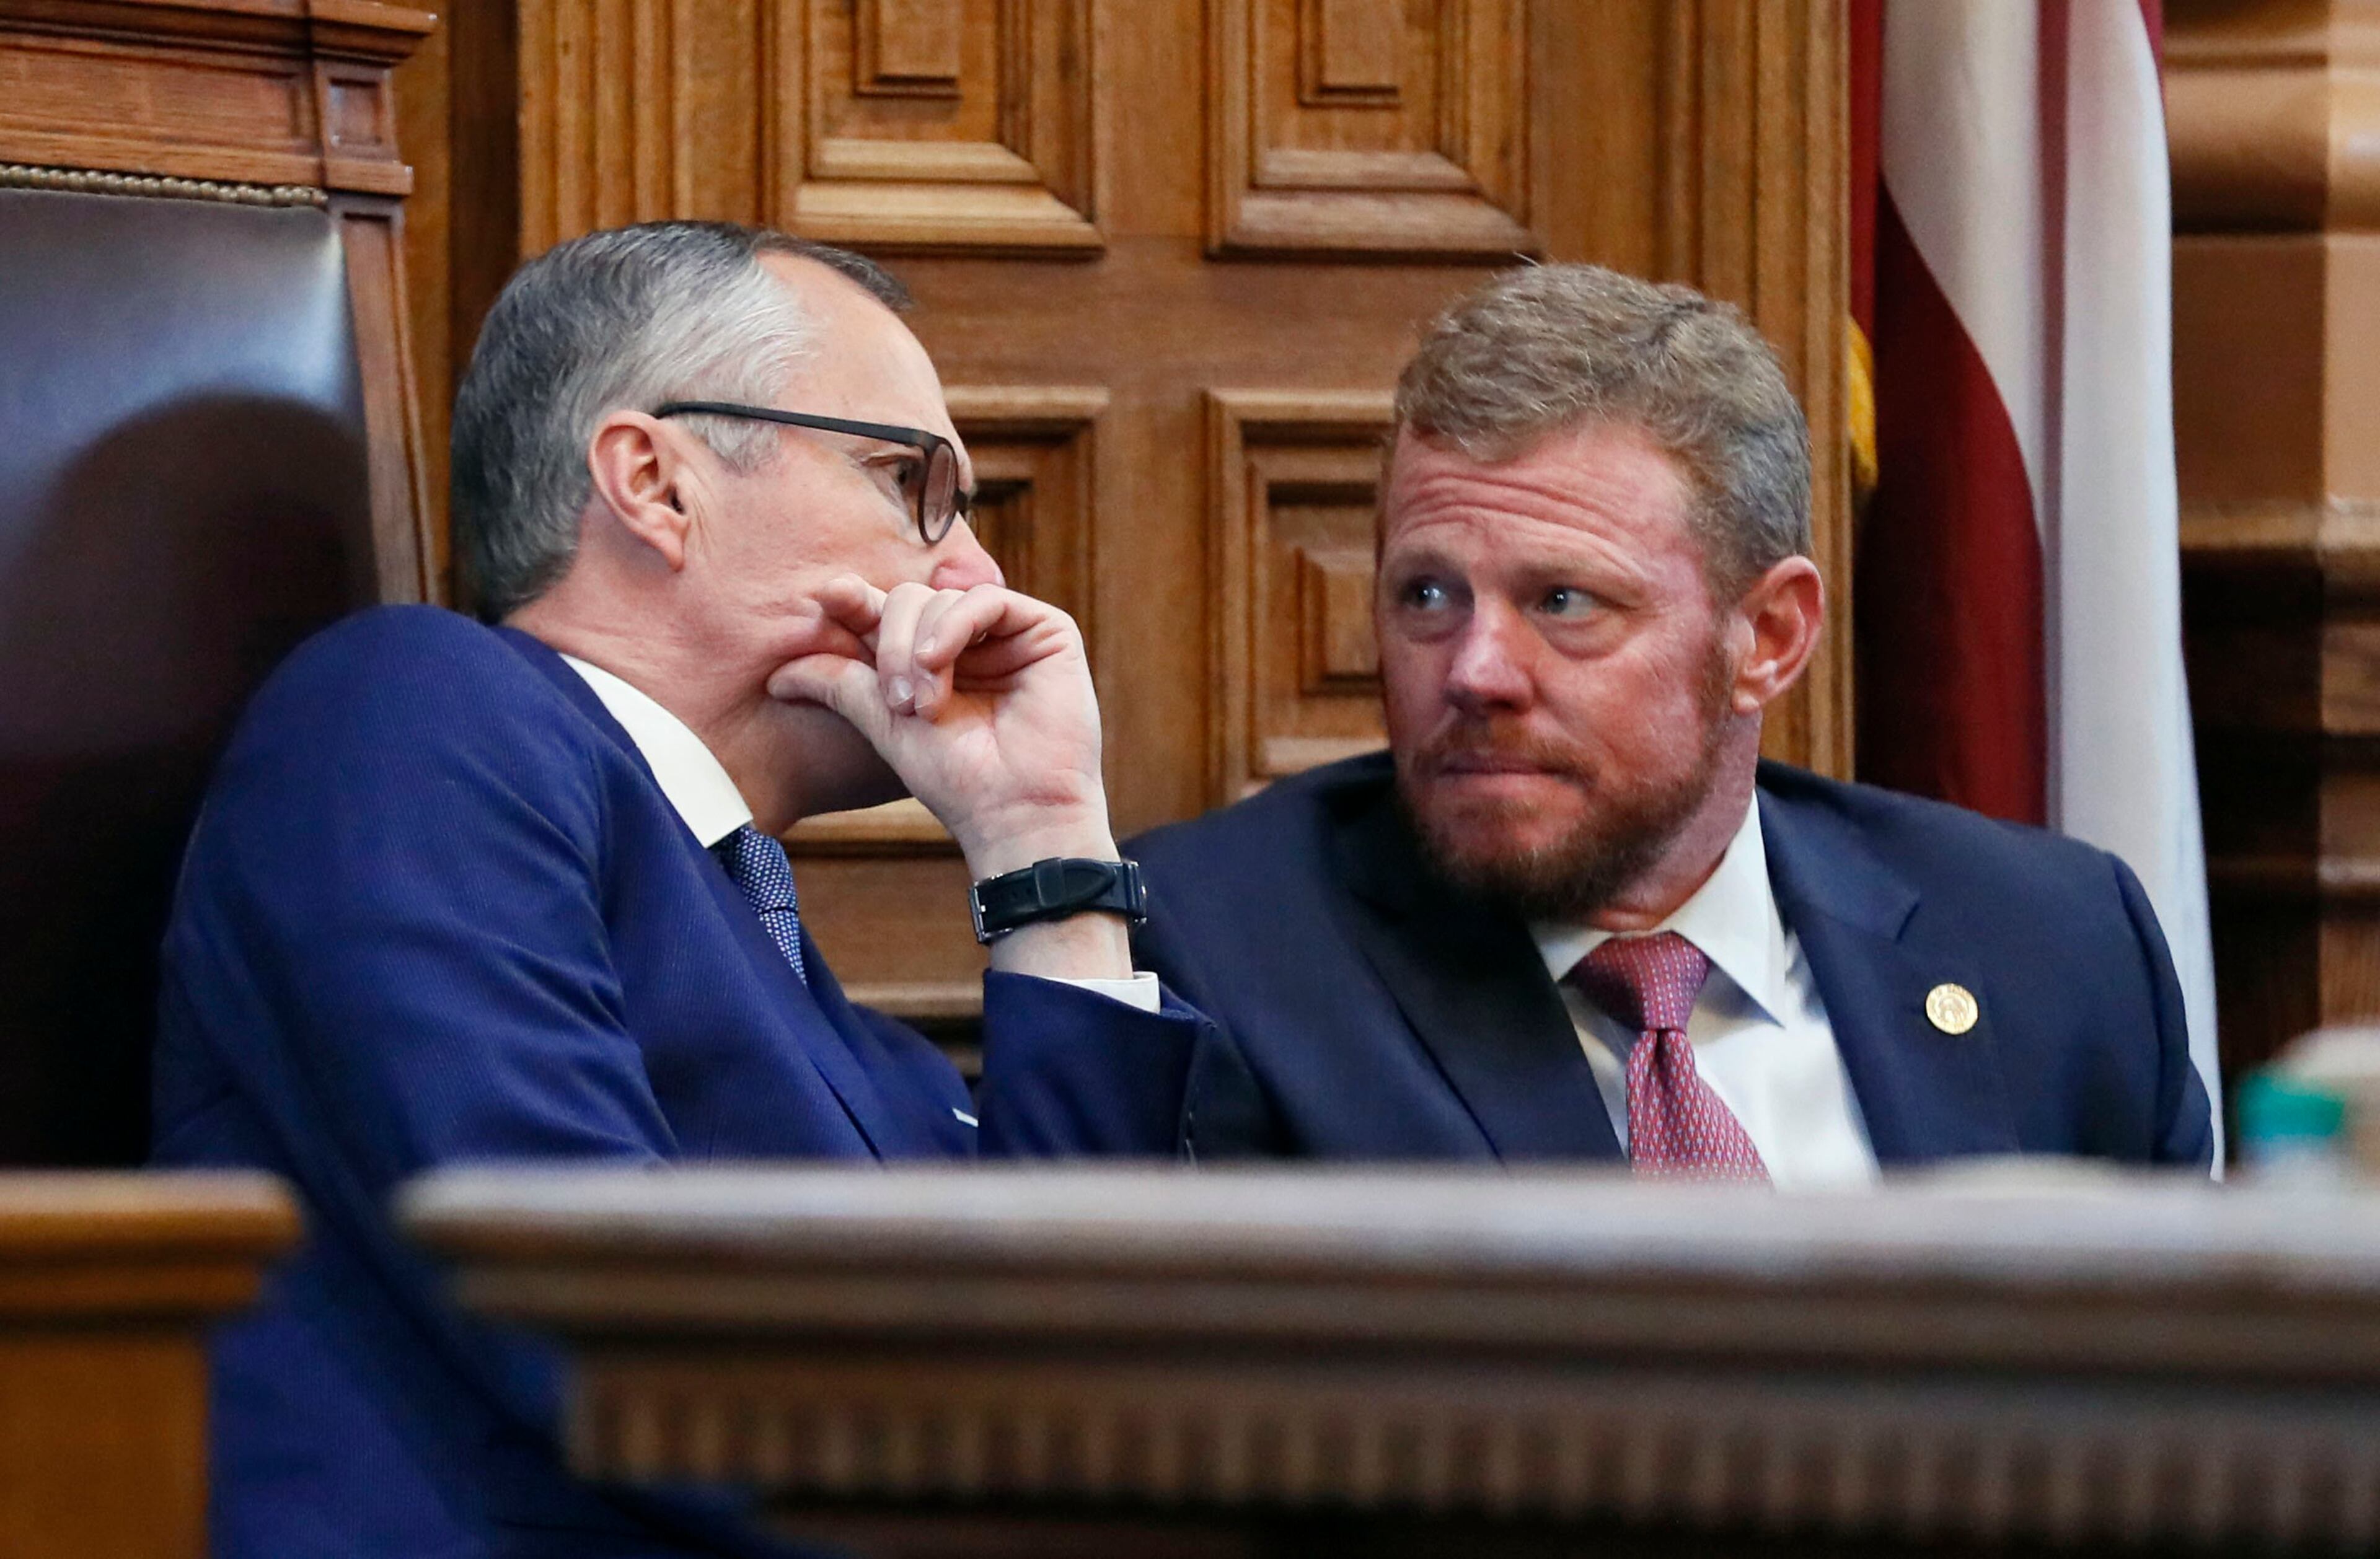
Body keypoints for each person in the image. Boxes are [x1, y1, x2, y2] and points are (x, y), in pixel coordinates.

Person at [151, 221, 1211, 1558]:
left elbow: (1088, 1350)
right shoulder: (418, 710)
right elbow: (593, 1314)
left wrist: (1044, 841)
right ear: (654, 481)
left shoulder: (796, 975)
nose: (977, 577)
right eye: (908, 482)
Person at [1129, 263, 2214, 1180]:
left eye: (1565, 602)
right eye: (1426, 596)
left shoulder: (2055, 946)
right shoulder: (1221, 952)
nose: (1475, 670)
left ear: (1771, 637)